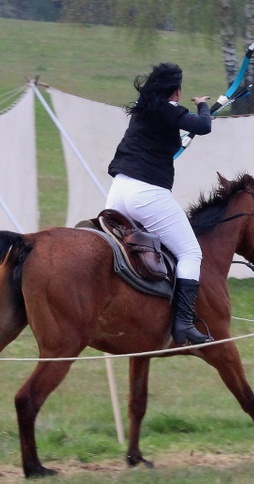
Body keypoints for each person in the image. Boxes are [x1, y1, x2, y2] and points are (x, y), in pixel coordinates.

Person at [105, 62, 214, 346]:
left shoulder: (143, 111)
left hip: (117, 191)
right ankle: (184, 324)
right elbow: (203, 126)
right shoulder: (169, 110)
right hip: (147, 195)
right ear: (176, 91)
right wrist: (202, 105)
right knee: (191, 253)